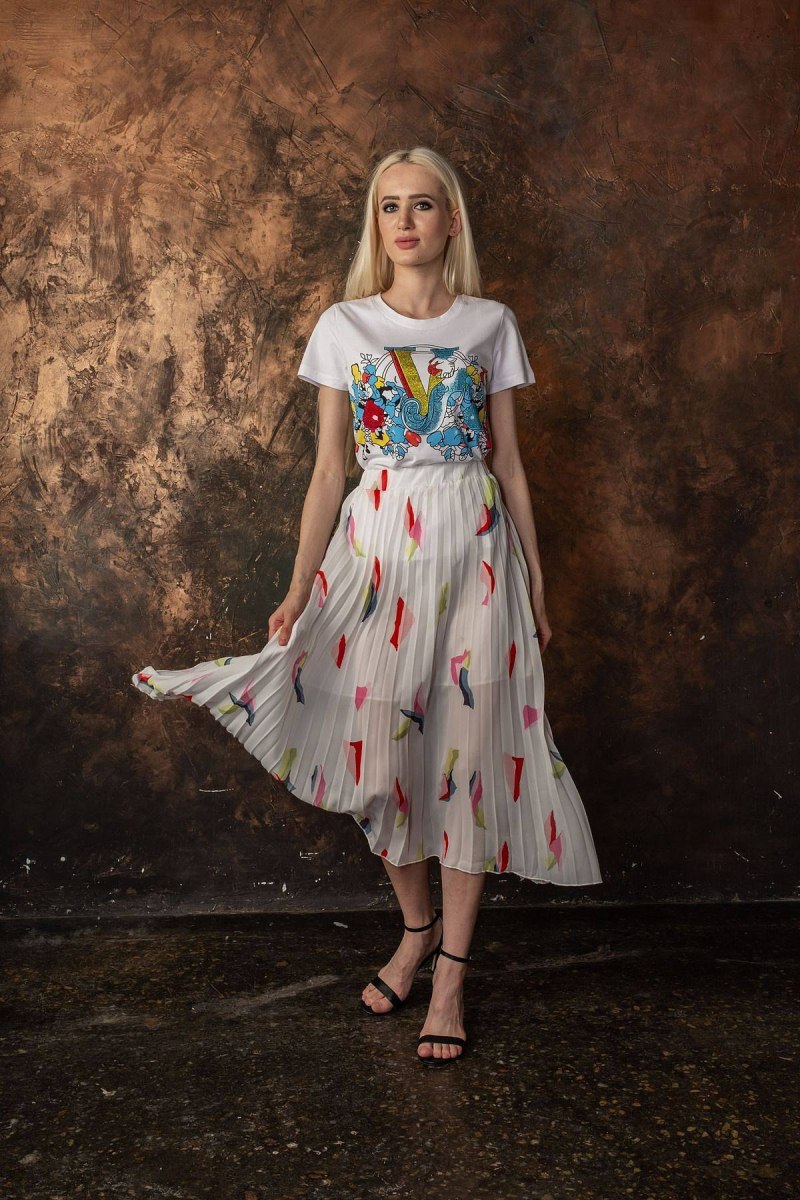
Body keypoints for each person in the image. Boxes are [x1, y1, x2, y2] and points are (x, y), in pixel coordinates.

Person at [131, 145, 602, 1067]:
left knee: (470, 761)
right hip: (378, 552)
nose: (405, 222)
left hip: (475, 555)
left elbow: (510, 464)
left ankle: (452, 974)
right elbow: (326, 473)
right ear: (375, 224)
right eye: (390, 207)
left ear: (451, 221)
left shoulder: (490, 323)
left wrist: (538, 581)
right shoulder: (344, 325)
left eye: (423, 205)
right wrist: (298, 585)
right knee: (382, 759)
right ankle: (415, 930)